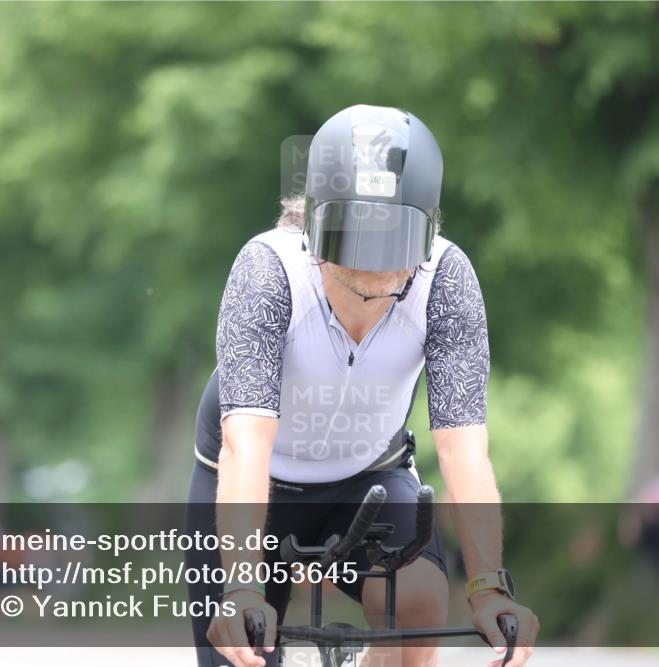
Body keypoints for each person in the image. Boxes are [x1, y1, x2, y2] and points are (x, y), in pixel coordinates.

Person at [185, 104, 539, 667]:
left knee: (420, 602)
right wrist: (243, 588)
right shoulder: (266, 271)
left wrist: (489, 586)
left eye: (394, 261)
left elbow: (464, 451)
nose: (372, 288)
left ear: (426, 232)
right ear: (313, 230)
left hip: (367, 476)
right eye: (351, 269)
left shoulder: (447, 279)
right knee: (242, 644)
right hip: (252, 476)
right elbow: (246, 446)